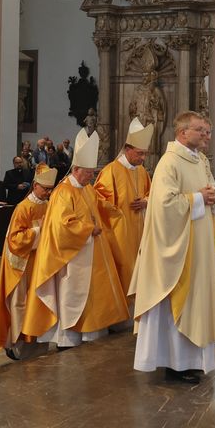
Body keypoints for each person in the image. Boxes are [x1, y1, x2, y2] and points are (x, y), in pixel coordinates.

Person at [129, 111, 215, 384]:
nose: (206, 135)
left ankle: (192, 360)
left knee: (197, 299)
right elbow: (163, 206)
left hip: (199, 243)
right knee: (178, 300)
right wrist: (198, 198)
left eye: (207, 130)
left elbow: (206, 190)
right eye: (201, 130)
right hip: (178, 247)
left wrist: (210, 196)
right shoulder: (169, 163)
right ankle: (175, 362)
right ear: (183, 133)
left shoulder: (201, 160)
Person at [23, 128, 129, 349]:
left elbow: (98, 204)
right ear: (77, 169)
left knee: (93, 295)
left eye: (93, 172)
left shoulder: (86, 189)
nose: (92, 176)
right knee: (72, 295)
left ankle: (90, 333)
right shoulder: (63, 192)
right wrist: (89, 228)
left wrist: (116, 210)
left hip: (92, 253)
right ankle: (68, 338)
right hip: (72, 256)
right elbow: (63, 225)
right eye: (89, 172)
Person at [0, 164, 57, 359]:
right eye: (45, 189)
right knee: (21, 303)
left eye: (50, 189)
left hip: (41, 262)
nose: (47, 193)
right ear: (35, 186)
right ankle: (17, 344)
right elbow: (15, 239)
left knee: (40, 301)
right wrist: (39, 231)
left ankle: (38, 339)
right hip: (23, 263)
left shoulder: (48, 205)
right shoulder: (23, 208)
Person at [94, 118, 154, 301]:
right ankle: (121, 310)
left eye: (145, 154)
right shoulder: (111, 170)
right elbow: (99, 200)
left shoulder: (142, 171)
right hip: (119, 232)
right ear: (128, 149)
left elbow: (152, 194)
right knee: (123, 267)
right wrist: (118, 213)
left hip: (140, 229)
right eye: (139, 153)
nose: (143, 158)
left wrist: (145, 201)